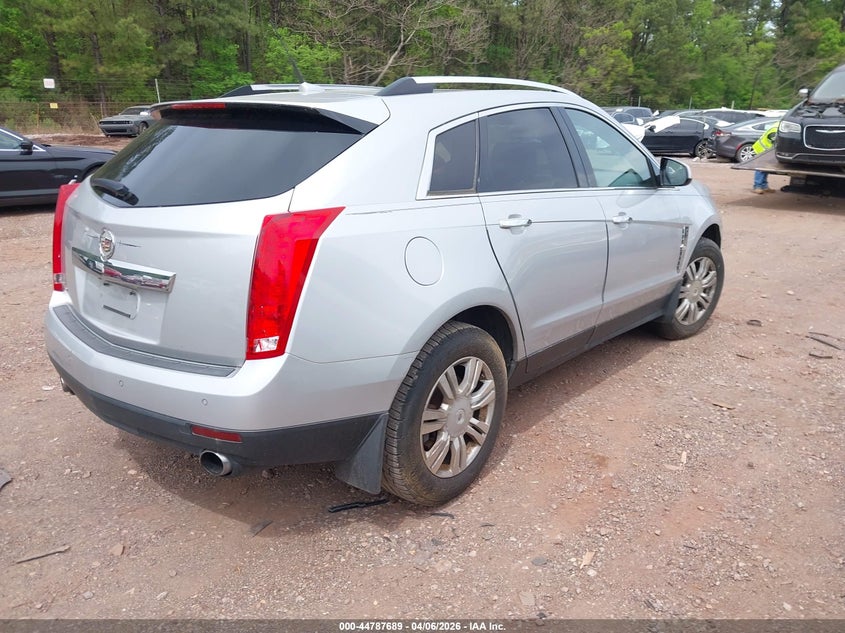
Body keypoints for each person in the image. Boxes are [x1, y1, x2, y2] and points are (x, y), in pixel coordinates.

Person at [752, 124, 779, 194]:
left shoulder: (777, 127)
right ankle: (757, 186)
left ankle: (764, 186)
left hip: (766, 151)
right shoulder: (775, 130)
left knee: (765, 169)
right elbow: (774, 142)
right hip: (761, 150)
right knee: (760, 169)